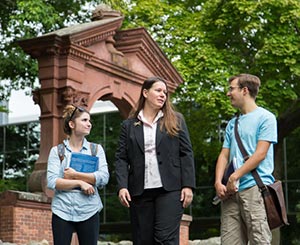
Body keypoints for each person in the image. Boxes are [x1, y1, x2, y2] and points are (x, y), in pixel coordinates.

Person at [115, 76, 196, 245]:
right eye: (158, 91)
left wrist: (188, 185)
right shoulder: (128, 125)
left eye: (165, 92)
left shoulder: (176, 119)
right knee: (143, 240)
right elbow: (121, 158)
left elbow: (186, 153)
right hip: (139, 191)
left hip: (170, 189)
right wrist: (122, 186)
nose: (163, 95)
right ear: (145, 92)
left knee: (165, 239)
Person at [214, 74, 277, 244]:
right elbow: (224, 154)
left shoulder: (266, 118)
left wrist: (235, 176)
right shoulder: (232, 124)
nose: (228, 93)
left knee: (259, 240)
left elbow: (260, 154)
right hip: (230, 193)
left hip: (254, 189)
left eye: (231, 89)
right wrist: (218, 181)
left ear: (244, 90)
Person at [47, 104, 109, 245]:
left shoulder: (96, 150)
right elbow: (52, 181)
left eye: (89, 121)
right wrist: (80, 183)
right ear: (72, 124)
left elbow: (104, 177)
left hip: (89, 209)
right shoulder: (57, 151)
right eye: (85, 120)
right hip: (62, 210)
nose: (89, 124)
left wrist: (75, 175)